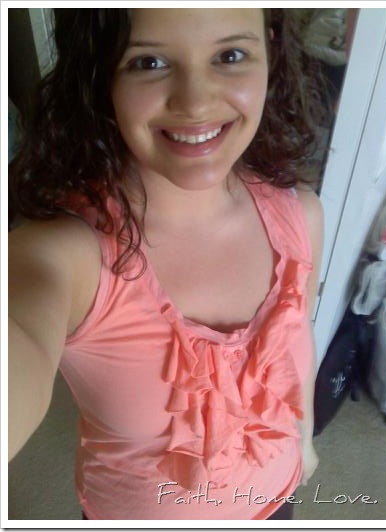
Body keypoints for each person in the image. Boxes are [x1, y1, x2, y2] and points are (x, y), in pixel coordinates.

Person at [9, 8, 325, 520]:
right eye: (149, 62)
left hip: (273, 502)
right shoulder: (67, 256)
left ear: (270, 53)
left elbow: (298, 339)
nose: (195, 103)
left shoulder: (300, 215)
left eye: (230, 55)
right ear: (103, 73)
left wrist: (303, 440)